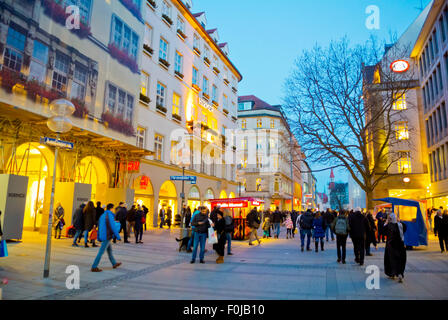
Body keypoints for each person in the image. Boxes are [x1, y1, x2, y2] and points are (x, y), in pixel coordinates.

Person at [91, 203, 122, 272]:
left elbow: (100, 225)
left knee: (109, 251)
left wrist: (99, 235)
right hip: (107, 236)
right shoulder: (109, 215)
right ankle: (94, 266)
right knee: (101, 252)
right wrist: (118, 236)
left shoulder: (103, 215)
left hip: (104, 235)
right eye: (113, 208)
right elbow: (112, 226)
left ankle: (114, 263)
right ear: (111, 208)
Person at [384, 212, 407, 283]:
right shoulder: (401, 225)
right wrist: (399, 221)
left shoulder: (389, 226)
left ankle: (392, 273)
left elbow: (383, 231)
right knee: (400, 260)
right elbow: (405, 229)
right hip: (400, 245)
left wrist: (386, 222)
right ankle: (400, 273)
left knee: (392, 260)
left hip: (391, 246)